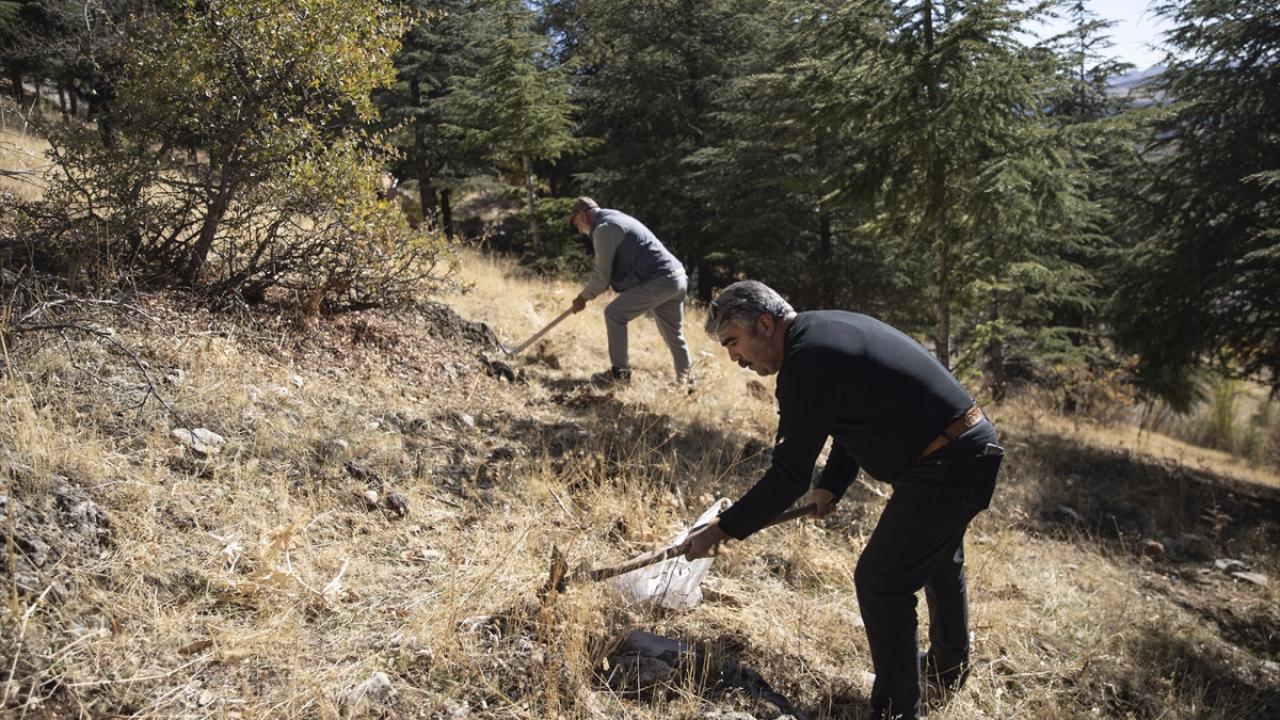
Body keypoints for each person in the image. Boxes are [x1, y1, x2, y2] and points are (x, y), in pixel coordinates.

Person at [685, 280, 1003, 720]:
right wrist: (832, 486)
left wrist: (724, 529)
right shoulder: (821, 334)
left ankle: (897, 711)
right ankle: (945, 674)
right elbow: (852, 420)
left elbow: (788, 476)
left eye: (733, 343)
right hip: (963, 449)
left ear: (764, 324)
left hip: (950, 462)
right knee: (937, 561)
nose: (734, 358)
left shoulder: (806, 360)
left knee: (882, 581)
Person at [566, 197, 693, 386]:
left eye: (578, 223)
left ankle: (620, 374)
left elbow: (602, 277)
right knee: (674, 335)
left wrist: (582, 298)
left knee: (614, 314)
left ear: (584, 215)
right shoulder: (615, 217)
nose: (579, 230)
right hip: (677, 277)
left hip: (660, 279)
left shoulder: (604, 229)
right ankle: (689, 383)